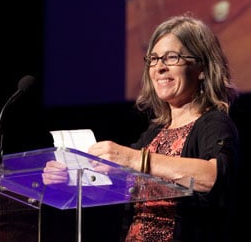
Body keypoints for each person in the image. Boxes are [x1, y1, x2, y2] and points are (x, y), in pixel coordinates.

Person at [43, 12, 240, 242]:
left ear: (202, 68)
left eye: (172, 57)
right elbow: (112, 188)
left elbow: (212, 178)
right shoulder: (154, 134)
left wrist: (135, 159)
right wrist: (68, 178)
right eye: (154, 59)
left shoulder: (214, 123)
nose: (159, 68)